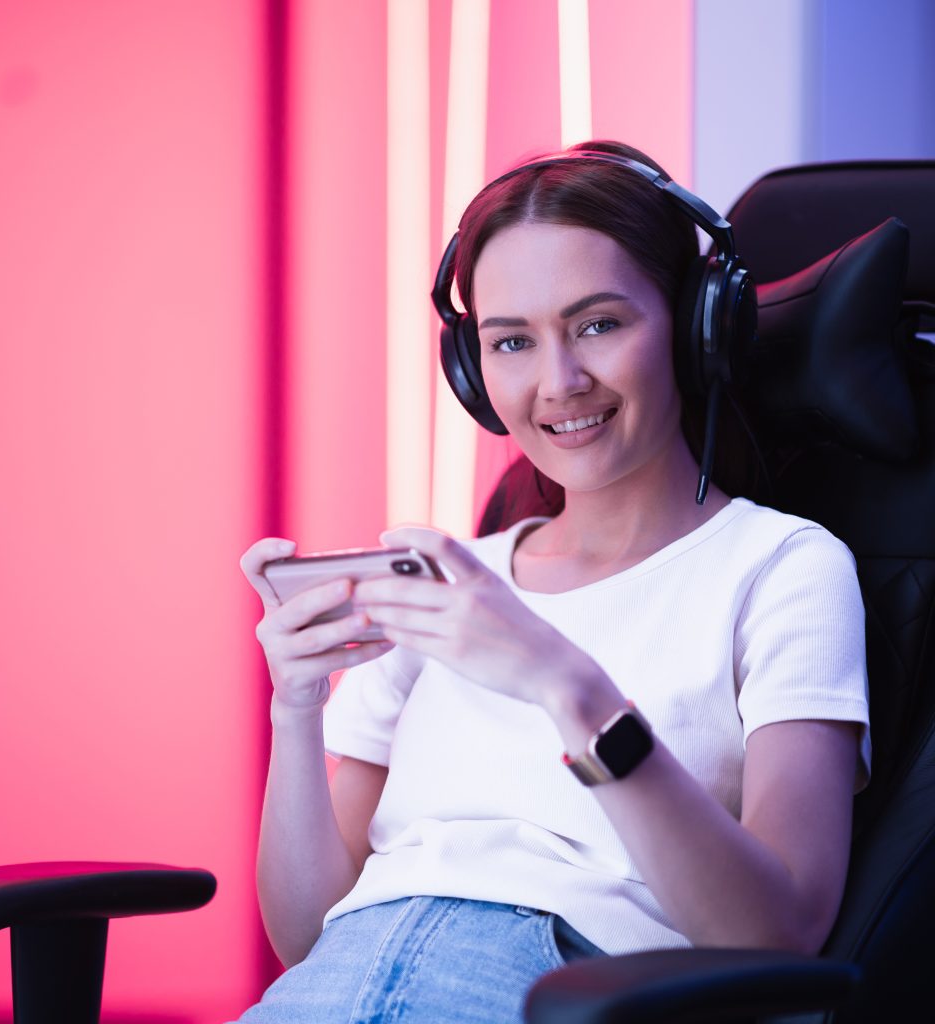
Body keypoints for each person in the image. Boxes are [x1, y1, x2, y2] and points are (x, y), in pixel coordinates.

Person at [231, 141, 871, 1023]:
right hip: (340, 979)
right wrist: (294, 709)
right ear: (473, 370)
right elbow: (307, 937)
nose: (559, 382)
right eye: (512, 342)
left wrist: (561, 683)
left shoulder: (782, 569)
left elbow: (780, 931)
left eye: (600, 324)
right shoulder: (453, 587)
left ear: (693, 327)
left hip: (572, 987)